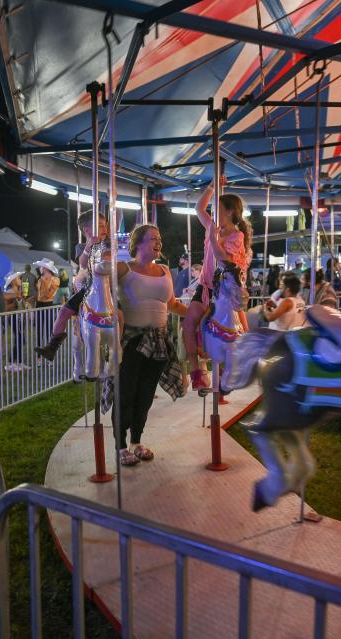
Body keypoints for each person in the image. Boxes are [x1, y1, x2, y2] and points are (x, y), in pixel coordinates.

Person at [114, 224, 188, 466]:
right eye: (153, 238)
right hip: (133, 340)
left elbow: (173, 304)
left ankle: (136, 441)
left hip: (159, 342)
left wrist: (198, 314)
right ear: (138, 242)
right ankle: (120, 446)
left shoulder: (165, 270)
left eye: (160, 239)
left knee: (145, 395)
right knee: (126, 392)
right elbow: (97, 280)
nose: (159, 242)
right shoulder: (124, 268)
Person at [182, 182, 251, 390]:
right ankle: (196, 371)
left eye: (217, 208)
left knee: (241, 333)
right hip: (205, 287)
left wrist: (213, 237)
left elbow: (223, 260)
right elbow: (198, 208)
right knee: (188, 324)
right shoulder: (212, 225)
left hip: (225, 291)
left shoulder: (236, 236)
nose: (212, 211)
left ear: (229, 212)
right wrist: (213, 187)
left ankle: (233, 370)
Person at [34, 211, 109, 360]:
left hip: (108, 287)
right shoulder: (81, 247)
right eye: (100, 226)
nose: (105, 229)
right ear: (87, 230)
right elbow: (82, 263)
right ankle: (52, 346)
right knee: (63, 312)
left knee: (121, 312)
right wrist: (89, 246)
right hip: (90, 288)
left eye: (105, 225)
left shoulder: (109, 244)